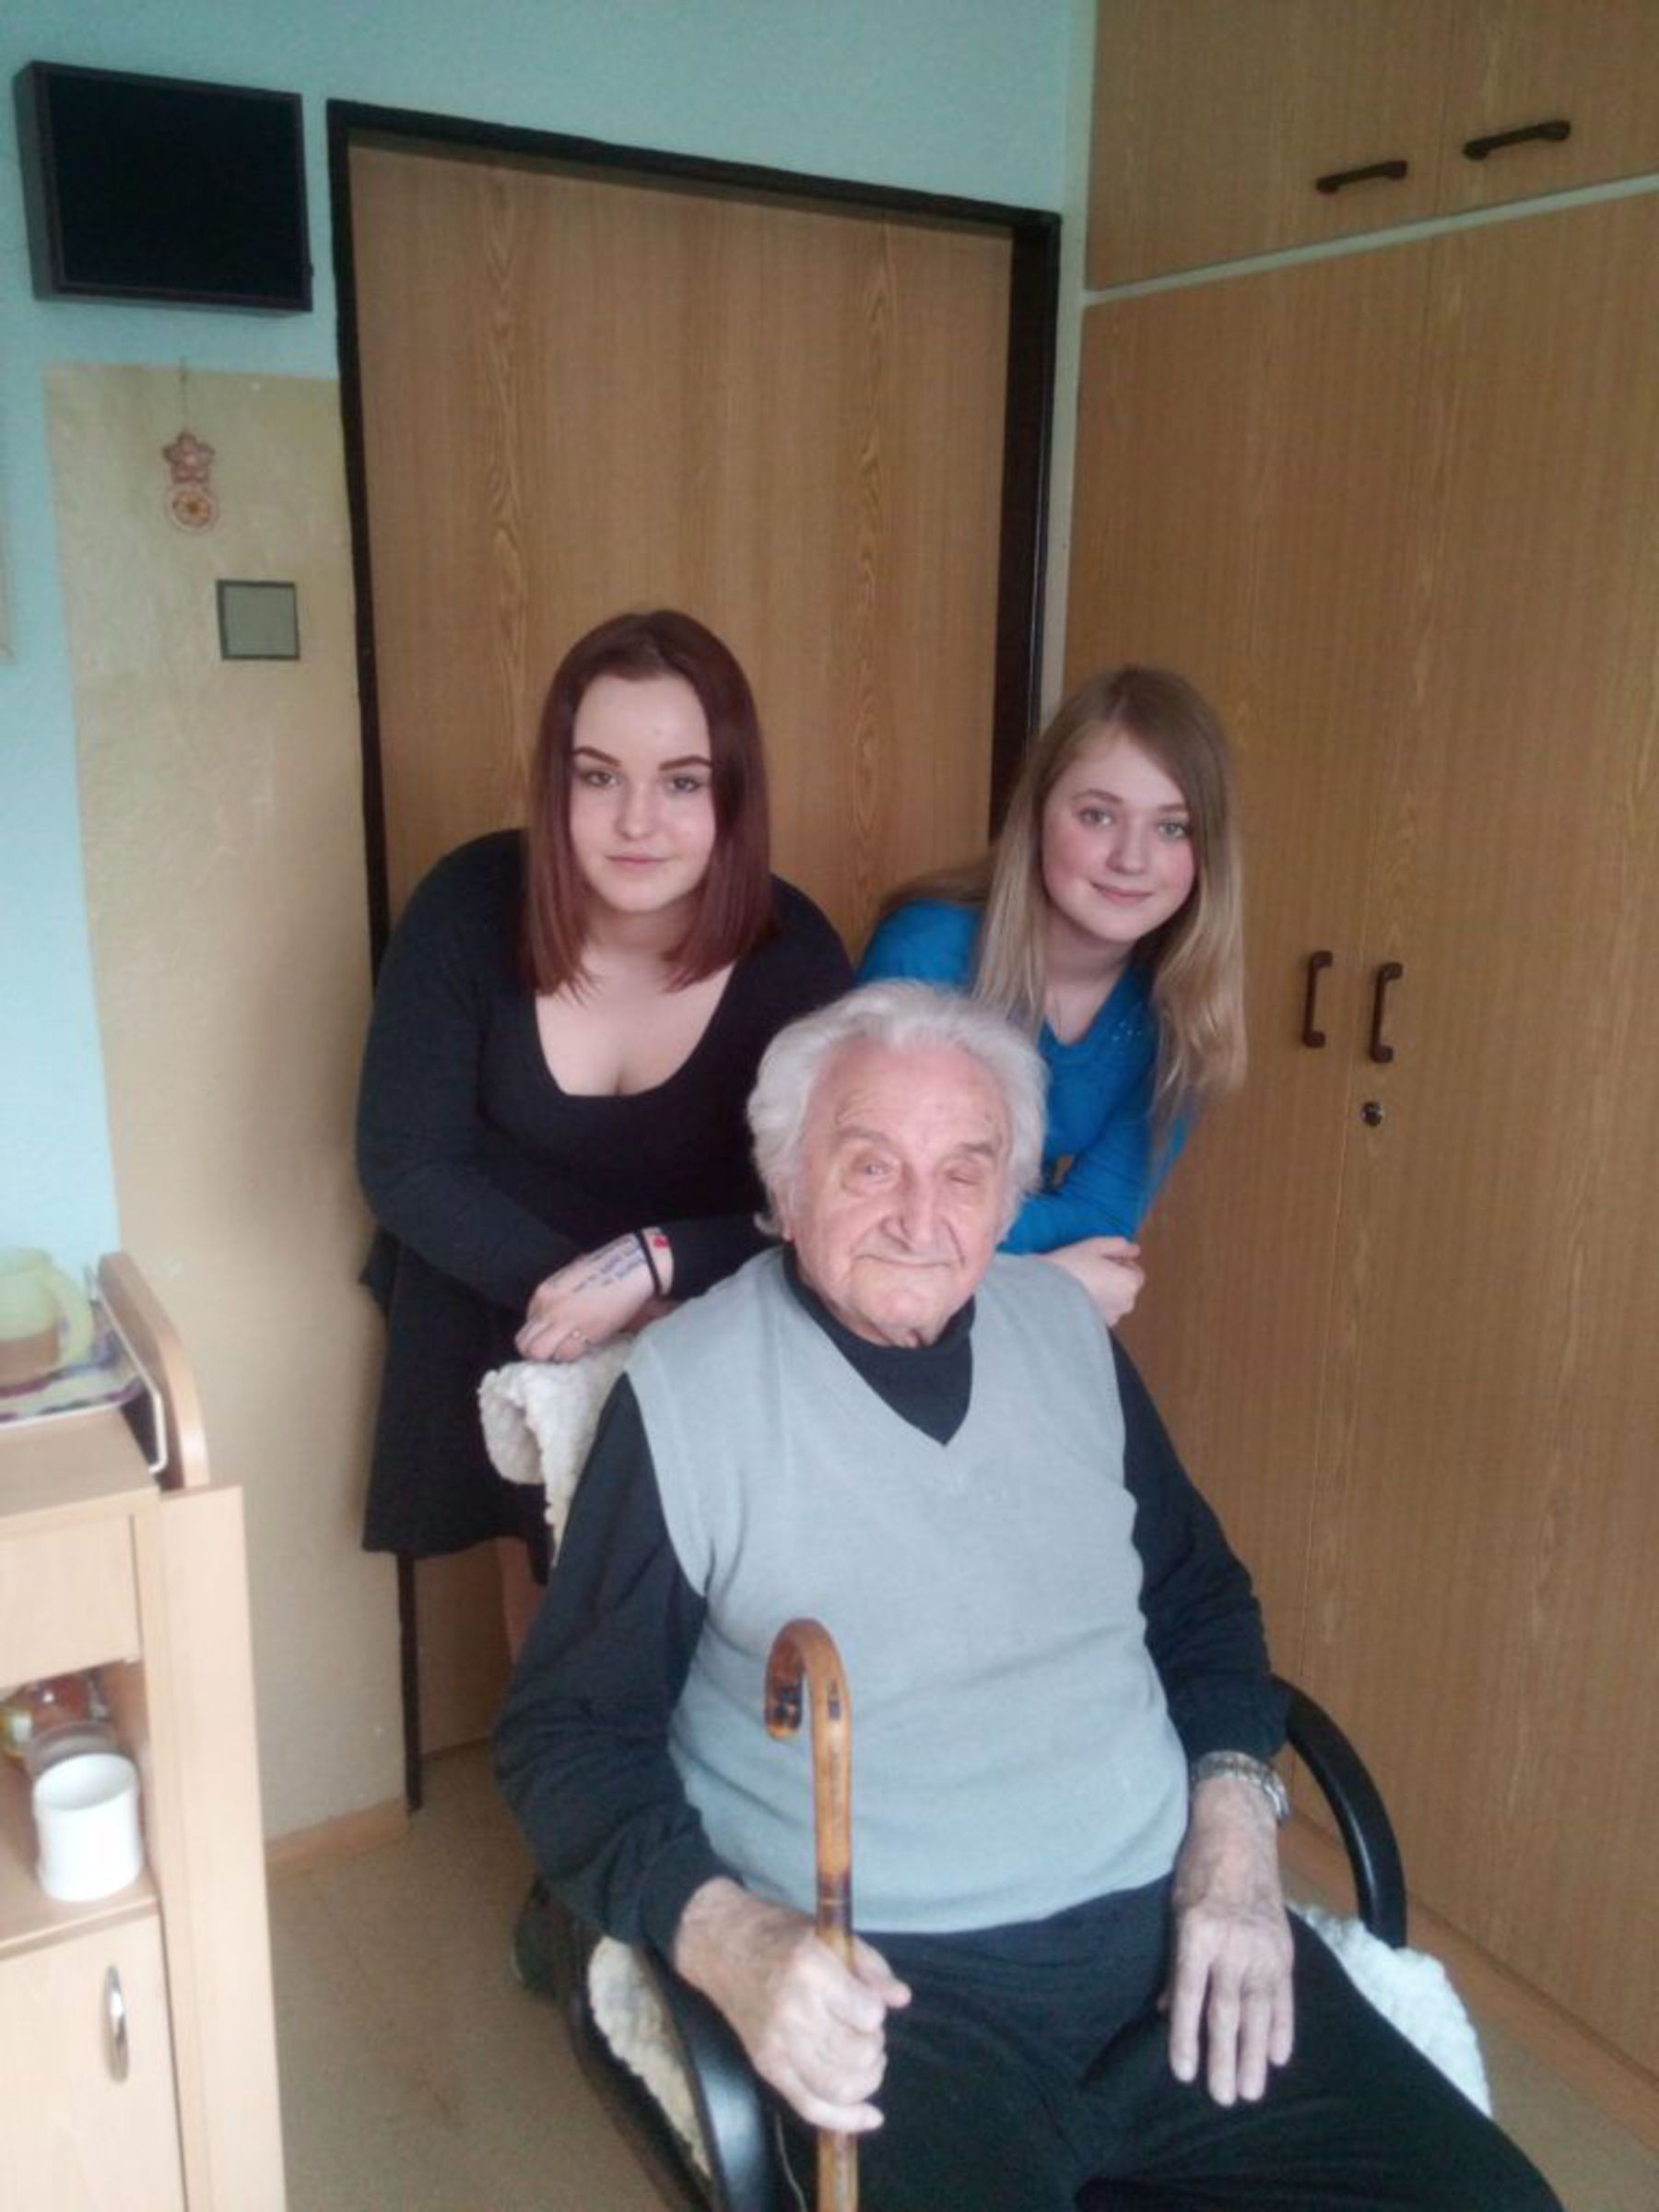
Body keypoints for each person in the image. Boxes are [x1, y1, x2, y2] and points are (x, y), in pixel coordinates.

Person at [497, 982, 1558, 2212]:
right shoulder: (693, 1392)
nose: (921, 1217)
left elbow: (1200, 1599)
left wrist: (1232, 1833)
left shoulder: (1063, 1332)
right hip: (893, 2000)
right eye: (869, 1166)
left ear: (1009, 1199)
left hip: (1172, 1937)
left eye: (967, 1171)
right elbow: (568, 1734)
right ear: (785, 1186)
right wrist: (725, 1935)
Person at [357, 608, 853, 1650]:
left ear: (733, 794)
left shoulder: (795, 953)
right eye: (598, 777)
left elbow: (817, 1198)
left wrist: (653, 1268)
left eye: (682, 782)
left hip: (699, 1303)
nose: (637, 822)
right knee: (548, 1617)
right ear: (557, 784)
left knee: (705, 1615)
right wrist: (582, 1297)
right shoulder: (466, 905)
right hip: (499, 1295)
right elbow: (405, 1162)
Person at [857, 665, 1245, 1326]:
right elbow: (871, 1199)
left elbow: (1102, 1221)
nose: (1132, 859)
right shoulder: (927, 952)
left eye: (1173, 828)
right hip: (877, 1289)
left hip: (976, 1282)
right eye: (1098, 815)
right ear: (1037, 818)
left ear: (1207, 851)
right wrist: (1047, 1281)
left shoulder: (1181, 1007)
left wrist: (1024, 1273)